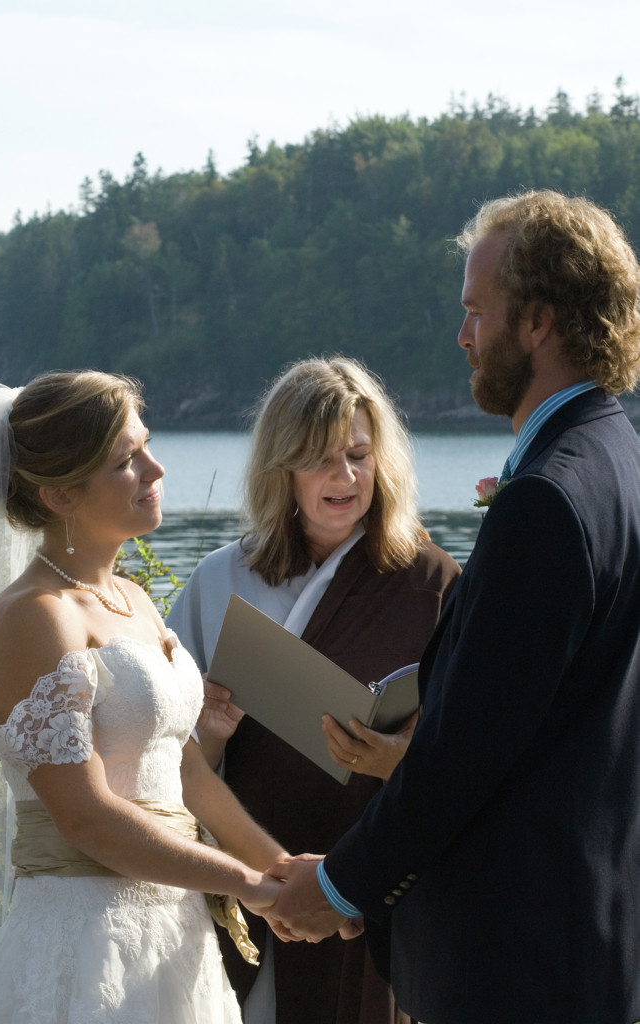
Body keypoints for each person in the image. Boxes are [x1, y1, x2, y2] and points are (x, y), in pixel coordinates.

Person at [266, 190, 640, 1024]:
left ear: (537, 320)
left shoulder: (545, 498)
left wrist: (338, 885)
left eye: (476, 311)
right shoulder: (619, 460)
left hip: (516, 958)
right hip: (587, 932)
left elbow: (469, 751)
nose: (463, 336)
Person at [0, 371, 288, 1024]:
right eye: (125, 461)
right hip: (84, 945)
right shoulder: (35, 615)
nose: (155, 470)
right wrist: (246, 884)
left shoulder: (132, 599)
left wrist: (279, 868)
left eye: (147, 446)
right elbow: (84, 817)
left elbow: (185, 772)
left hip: (177, 937)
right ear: (60, 494)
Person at [167, 356, 460, 1024]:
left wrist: (396, 755)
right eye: (322, 460)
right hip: (246, 877)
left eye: (358, 455)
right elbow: (164, 763)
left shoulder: (432, 583)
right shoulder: (219, 581)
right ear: (282, 467)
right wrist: (209, 735)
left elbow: (469, 753)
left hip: (369, 885)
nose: (346, 477)